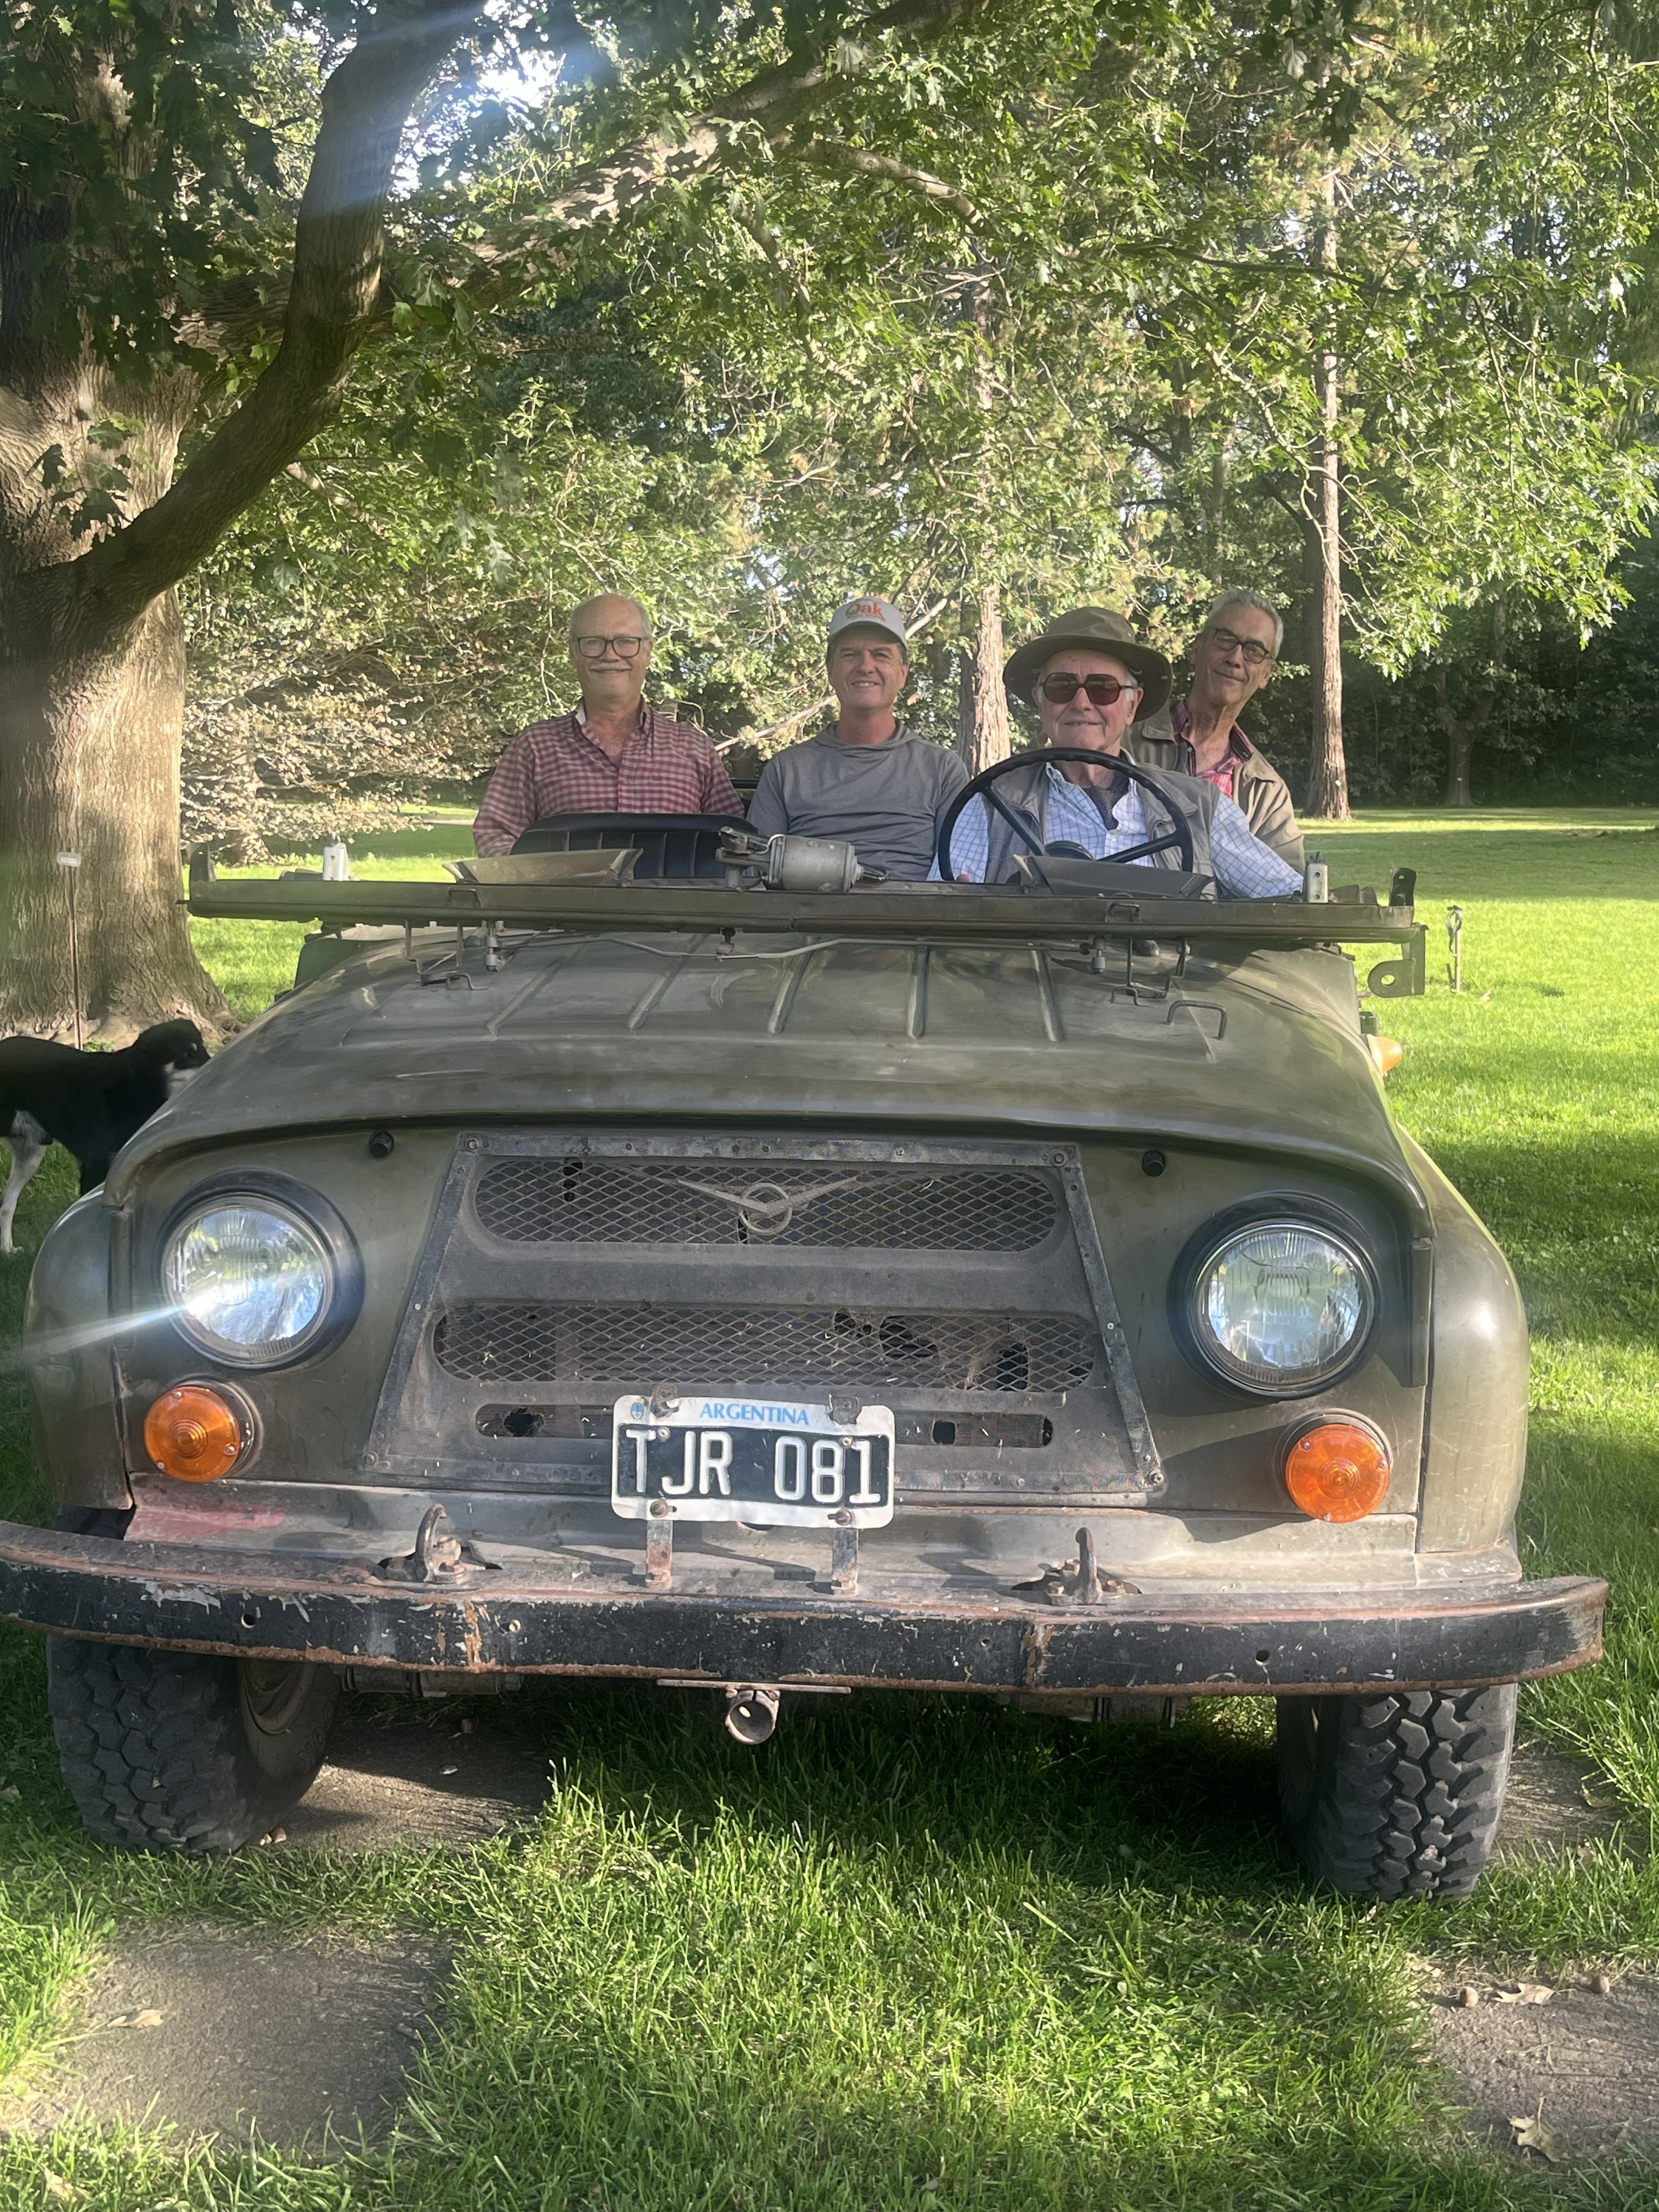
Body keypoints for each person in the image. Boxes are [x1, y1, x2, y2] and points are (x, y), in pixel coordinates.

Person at [944, 606, 1304, 897]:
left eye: (1103, 688)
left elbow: (1286, 897)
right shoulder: (991, 804)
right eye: (1061, 686)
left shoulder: (1200, 807)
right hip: (1031, 984)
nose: (1081, 703)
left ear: (1132, 706)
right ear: (1041, 701)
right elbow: (942, 913)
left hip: (1167, 986)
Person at [473, 592, 743, 855]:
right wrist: (538, 881)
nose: (610, 655)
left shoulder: (694, 748)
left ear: (648, 652)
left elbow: (737, 840)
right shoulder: (534, 747)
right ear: (574, 653)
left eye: (625, 642)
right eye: (593, 642)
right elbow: (495, 834)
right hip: (563, 900)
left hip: (673, 901)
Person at [746, 598, 968, 881]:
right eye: (850, 654)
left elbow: (958, 877)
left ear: (903, 673)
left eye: (881, 654)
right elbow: (756, 875)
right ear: (831, 671)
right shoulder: (786, 770)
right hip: (806, 920)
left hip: (914, 920)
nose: (865, 666)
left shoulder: (943, 770)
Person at [1127, 588, 1303, 867]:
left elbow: (1288, 891)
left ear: (1267, 674)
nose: (1235, 658)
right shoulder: (1124, 739)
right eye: (1225, 639)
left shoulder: (1267, 792)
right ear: (1197, 649)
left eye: (1254, 651)